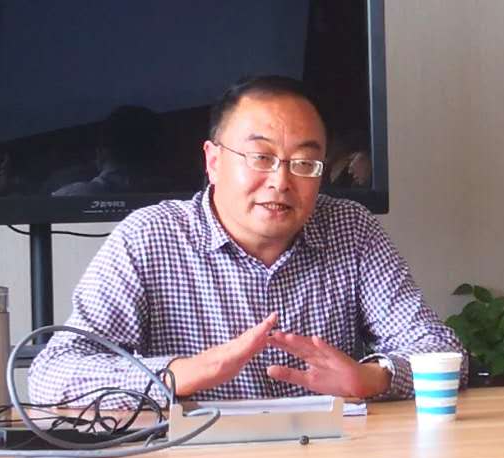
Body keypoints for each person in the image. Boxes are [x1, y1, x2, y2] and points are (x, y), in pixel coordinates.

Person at [29, 76, 466, 408]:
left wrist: (371, 379)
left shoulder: (350, 229)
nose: (281, 181)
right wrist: (180, 373)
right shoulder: (148, 237)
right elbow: (53, 373)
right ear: (214, 161)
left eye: (304, 163)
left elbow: (443, 353)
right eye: (260, 157)